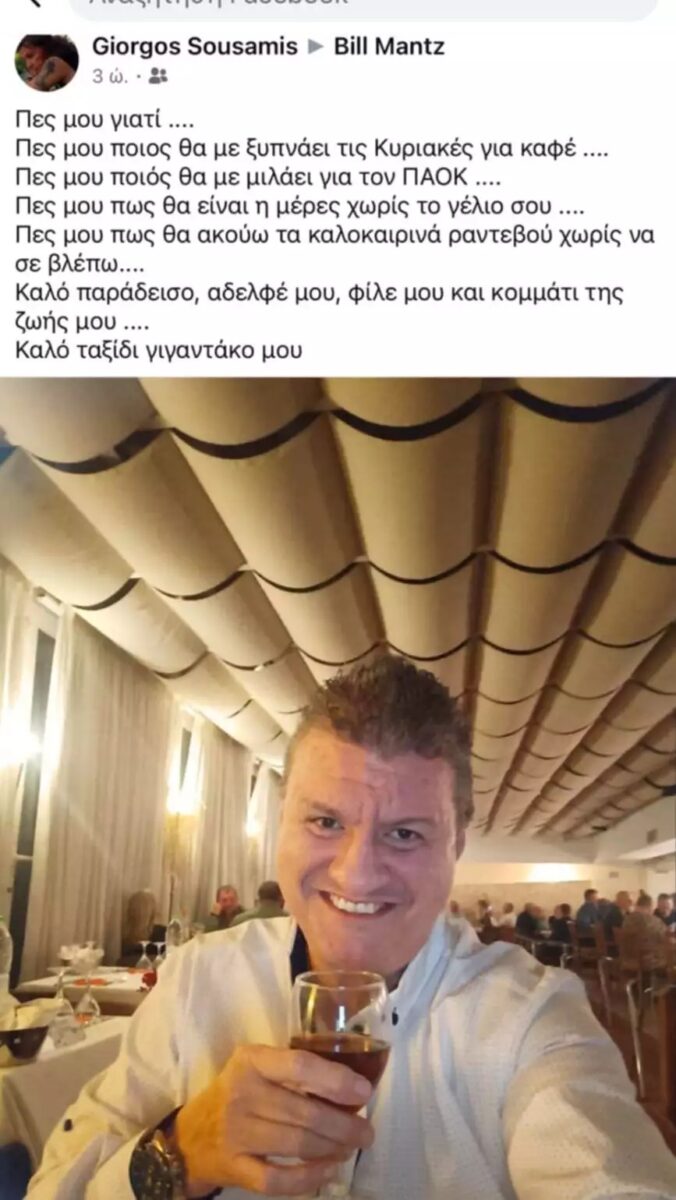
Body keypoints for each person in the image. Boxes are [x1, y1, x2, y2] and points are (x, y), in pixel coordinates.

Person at [28, 657, 676, 1200]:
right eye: (325, 822)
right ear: (282, 821)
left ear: (456, 845)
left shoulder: (530, 1015)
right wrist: (180, 1152)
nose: (357, 875)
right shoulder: (198, 978)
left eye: (405, 834)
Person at [622, 894, 670, 969]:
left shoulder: (626, 920)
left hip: (628, 959)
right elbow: (666, 935)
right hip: (648, 960)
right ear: (649, 907)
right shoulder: (654, 921)